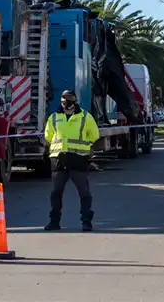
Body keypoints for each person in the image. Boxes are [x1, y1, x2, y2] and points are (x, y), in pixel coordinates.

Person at [43, 89, 100, 232]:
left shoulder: (85, 117)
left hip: (78, 160)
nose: (65, 102)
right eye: (63, 99)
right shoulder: (54, 117)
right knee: (56, 192)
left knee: (84, 193)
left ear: (74, 100)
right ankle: (54, 222)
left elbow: (94, 135)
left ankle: (86, 222)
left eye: (68, 99)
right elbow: (48, 136)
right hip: (59, 160)